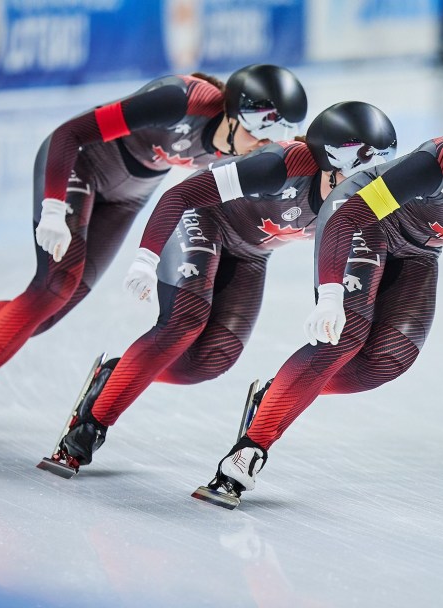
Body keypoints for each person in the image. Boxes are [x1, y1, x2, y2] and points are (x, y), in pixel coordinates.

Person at [0, 64, 308, 446]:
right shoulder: (179, 101)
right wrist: (54, 208)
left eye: (276, 137)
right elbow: (70, 134)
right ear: (233, 116)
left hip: (129, 196)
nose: (263, 146)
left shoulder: (252, 150)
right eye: (259, 134)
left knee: (46, 314)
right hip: (81, 165)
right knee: (53, 286)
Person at [195, 93, 443, 508]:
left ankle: (275, 396)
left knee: (387, 360)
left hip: (420, 248)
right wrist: (331, 292)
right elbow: (350, 213)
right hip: (366, 223)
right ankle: (245, 455)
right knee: (345, 336)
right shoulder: (435, 168)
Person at [40, 101, 398, 473]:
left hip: (252, 252)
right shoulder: (278, 166)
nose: (362, 190)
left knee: (210, 360)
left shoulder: (366, 200)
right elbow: (180, 196)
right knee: (184, 321)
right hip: (204, 220)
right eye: (357, 177)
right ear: (329, 165)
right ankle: (88, 427)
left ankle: (117, 375)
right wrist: (146, 258)